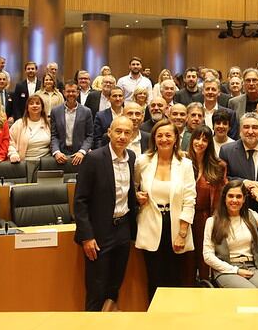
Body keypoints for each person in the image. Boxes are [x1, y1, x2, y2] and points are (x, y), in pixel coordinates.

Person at [74, 115, 138, 312]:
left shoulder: (131, 158)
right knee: (96, 288)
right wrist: (87, 237)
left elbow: (128, 193)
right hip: (99, 233)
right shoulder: (94, 159)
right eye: (118, 131)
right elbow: (80, 200)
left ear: (132, 135)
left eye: (127, 132)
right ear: (109, 132)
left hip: (123, 229)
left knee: (115, 284)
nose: (122, 136)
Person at [134, 119, 196, 300]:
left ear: (176, 138)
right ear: (154, 138)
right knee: (154, 277)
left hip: (176, 223)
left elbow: (190, 198)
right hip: (150, 222)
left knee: (175, 276)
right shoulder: (142, 161)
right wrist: (137, 197)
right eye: (159, 135)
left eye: (168, 135)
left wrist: (182, 232)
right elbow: (134, 187)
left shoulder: (184, 163)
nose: (164, 139)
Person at [219, 112, 258, 282]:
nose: (250, 131)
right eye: (246, 127)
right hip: (237, 215)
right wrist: (244, 183)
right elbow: (224, 180)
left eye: (255, 127)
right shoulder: (227, 150)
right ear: (239, 130)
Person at [203, 180, 258, 288]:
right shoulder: (212, 221)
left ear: (244, 199)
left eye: (238, 196)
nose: (234, 200)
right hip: (226, 269)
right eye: (230, 196)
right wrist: (236, 270)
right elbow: (208, 256)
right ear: (224, 198)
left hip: (251, 267)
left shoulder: (250, 216)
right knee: (249, 292)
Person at [187, 125, 227, 283]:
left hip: (206, 218)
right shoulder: (183, 162)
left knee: (206, 259)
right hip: (185, 218)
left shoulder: (218, 166)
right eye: (197, 138)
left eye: (205, 139)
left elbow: (222, 194)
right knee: (187, 260)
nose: (200, 142)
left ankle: (206, 288)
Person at [8, 94, 52, 182]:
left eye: (37, 103)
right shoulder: (19, 124)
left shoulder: (48, 123)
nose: (34, 105)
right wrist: (13, 154)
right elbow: (10, 142)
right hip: (25, 163)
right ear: (27, 107)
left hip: (45, 163)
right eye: (31, 103)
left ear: (42, 107)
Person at [50, 81, 94, 167]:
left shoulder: (86, 111)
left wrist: (82, 151)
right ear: (63, 93)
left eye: (73, 91)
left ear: (78, 93)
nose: (71, 94)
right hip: (61, 155)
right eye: (68, 91)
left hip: (80, 155)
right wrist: (56, 152)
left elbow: (90, 136)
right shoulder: (55, 111)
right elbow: (54, 135)